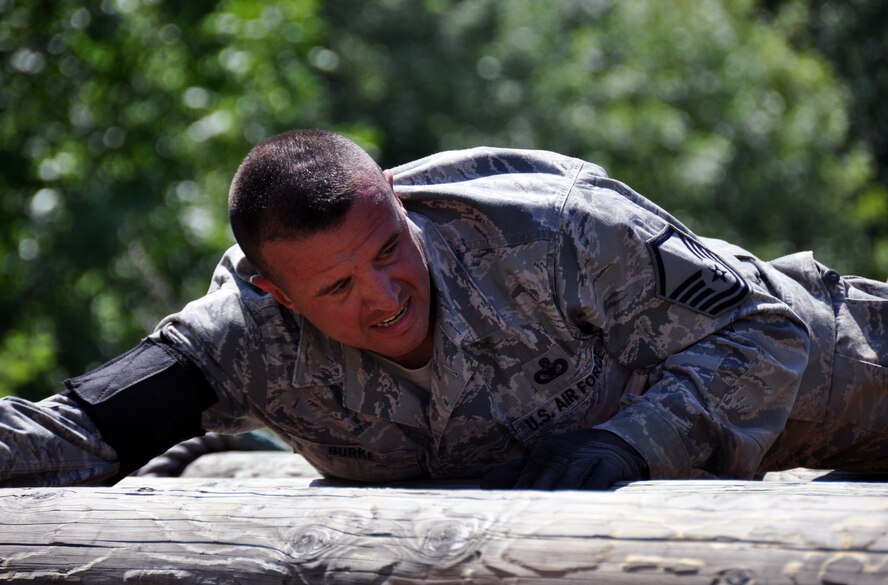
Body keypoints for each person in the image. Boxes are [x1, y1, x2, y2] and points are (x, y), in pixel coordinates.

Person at [1, 129, 886, 489]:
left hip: (851, 378)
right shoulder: (237, 339)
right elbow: (78, 432)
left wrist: (626, 446)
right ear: (274, 294)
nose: (385, 298)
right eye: (338, 289)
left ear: (393, 196)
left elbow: (768, 330)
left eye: (388, 249)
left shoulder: (558, 227)